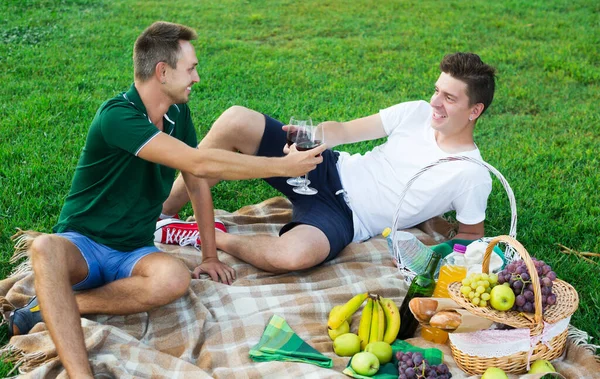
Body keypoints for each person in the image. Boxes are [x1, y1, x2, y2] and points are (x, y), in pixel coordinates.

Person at [7, 21, 325, 378]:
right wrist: (281, 165)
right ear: (162, 71)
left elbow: (196, 179)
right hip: (84, 245)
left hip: (134, 251)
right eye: (191, 68)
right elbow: (200, 161)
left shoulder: (177, 114)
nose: (197, 78)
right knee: (45, 248)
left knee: (175, 278)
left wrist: (208, 254)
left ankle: (53, 306)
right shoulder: (118, 116)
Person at [156, 52, 496, 275]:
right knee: (236, 121)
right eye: (437, 90)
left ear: (474, 111)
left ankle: (208, 236)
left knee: (292, 257)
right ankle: (162, 211)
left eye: (449, 98)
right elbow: (347, 130)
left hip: (346, 218)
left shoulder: (471, 174)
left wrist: (431, 247)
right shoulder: (417, 112)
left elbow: (470, 237)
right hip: (328, 168)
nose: (435, 102)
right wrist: (312, 137)